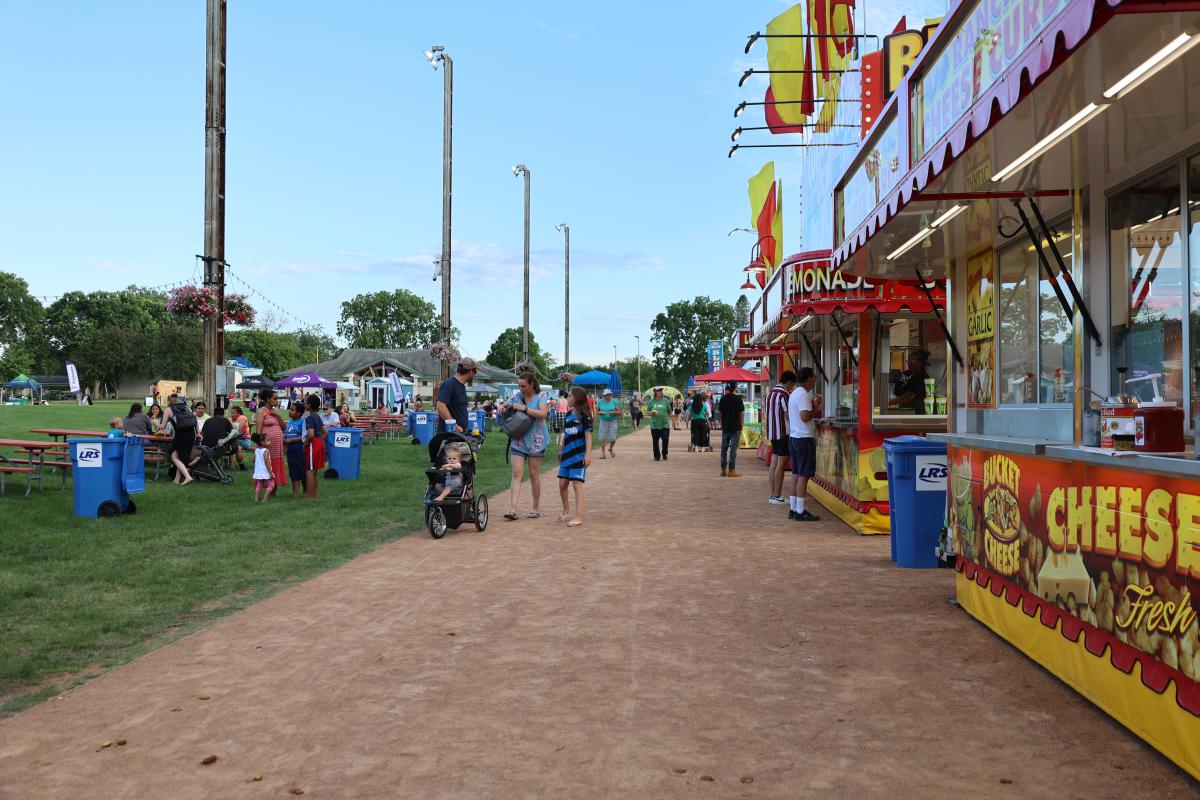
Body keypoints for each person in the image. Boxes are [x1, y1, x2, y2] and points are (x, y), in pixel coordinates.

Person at [501, 370, 551, 520]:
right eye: (519, 386)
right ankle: (512, 510)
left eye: (523, 386)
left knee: (533, 474)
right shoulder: (518, 395)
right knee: (516, 473)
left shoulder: (542, 396)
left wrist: (525, 408)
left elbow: (543, 414)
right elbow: (507, 403)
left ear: (532, 384)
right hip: (519, 439)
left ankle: (535, 508)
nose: (521, 389)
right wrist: (503, 406)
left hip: (536, 440)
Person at [787, 367, 822, 521]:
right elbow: (805, 416)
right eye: (814, 377)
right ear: (808, 379)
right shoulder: (802, 394)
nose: (815, 380)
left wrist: (812, 405)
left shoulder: (795, 393)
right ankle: (800, 511)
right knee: (803, 475)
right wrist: (817, 410)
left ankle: (793, 508)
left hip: (795, 437)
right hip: (804, 439)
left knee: (796, 474)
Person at [557, 387, 593, 527]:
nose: (567, 398)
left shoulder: (585, 416)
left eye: (570, 396)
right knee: (562, 484)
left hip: (579, 456)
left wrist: (588, 455)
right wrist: (561, 449)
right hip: (567, 455)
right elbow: (566, 434)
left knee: (576, 484)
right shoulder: (568, 414)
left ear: (577, 398)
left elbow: (588, 436)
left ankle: (578, 517)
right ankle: (566, 509)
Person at [765, 371, 797, 505]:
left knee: (774, 463)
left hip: (772, 433)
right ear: (789, 381)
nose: (792, 386)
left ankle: (773, 495)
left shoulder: (770, 393)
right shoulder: (784, 394)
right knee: (781, 464)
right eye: (792, 384)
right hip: (783, 433)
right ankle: (778, 495)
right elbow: (787, 414)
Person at [255, 388, 286, 496]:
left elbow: (283, 428)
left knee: (276, 467)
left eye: (278, 398)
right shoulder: (261, 411)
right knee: (268, 466)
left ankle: (273, 492)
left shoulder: (275, 411)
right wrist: (258, 448)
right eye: (275, 398)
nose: (277, 401)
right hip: (267, 446)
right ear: (268, 399)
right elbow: (258, 432)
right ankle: (266, 492)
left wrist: (278, 415)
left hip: (277, 446)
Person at [160, 392, 196, 485]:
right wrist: (198, 433)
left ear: (168, 400)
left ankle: (188, 477)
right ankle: (176, 480)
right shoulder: (186, 408)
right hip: (191, 434)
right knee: (180, 457)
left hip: (181, 435)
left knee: (174, 456)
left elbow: (162, 427)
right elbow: (194, 420)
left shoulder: (168, 409)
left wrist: (155, 423)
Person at [891, 348, 931, 414]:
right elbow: (898, 392)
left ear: (920, 363)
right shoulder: (907, 375)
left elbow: (909, 396)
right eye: (908, 361)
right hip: (908, 410)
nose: (909, 363)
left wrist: (888, 403)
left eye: (912, 361)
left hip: (916, 412)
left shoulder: (921, 377)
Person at [717, 381, 745, 477]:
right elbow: (740, 414)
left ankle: (723, 470)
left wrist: (721, 423)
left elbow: (720, 413)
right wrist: (741, 426)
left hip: (726, 427)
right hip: (736, 427)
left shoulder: (723, 399)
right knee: (733, 449)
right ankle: (731, 470)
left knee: (724, 448)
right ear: (735, 388)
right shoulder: (738, 399)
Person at [304, 394, 326, 500]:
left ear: (309, 405)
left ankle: (310, 496)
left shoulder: (309, 418)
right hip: (319, 443)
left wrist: (306, 443)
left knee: (309, 470)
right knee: (315, 471)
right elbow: (325, 433)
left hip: (313, 444)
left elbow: (311, 435)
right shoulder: (318, 416)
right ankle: (315, 495)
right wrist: (320, 440)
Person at [283, 402, 307, 498]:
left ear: (298, 413)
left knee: (302, 470)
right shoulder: (290, 422)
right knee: (293, 471)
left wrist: (292, 440)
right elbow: (286, 433)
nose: (290, 411)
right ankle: (295, 493)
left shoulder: (302, 422)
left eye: (292, 410)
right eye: (290, 409)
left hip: (299, 450)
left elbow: (304, 436)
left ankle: (306, 490)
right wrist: (284, 438)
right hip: (290, 451)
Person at [645, 386, 672, 461]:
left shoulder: (665, 401)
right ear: (655, 392)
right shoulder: (652, 402)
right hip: (655, 425)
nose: (660, 392)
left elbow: (669, 411)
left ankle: (664, 453)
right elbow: (647, 412)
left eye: (661, 390)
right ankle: (657, 456)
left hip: (665, 424)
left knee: (665, 438)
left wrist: (673, 422)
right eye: (658, 391)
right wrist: (651, 412)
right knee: (655, 441)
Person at [596, 388, 621, 459]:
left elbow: (619, 412)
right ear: (604, 395)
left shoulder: (614, 402)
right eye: (607, 394)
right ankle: (603, 454)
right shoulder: (600, 402)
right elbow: (597, 411)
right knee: (602, 438)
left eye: (610, 394)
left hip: (612, 422)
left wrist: (614, 412)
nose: (609, 396)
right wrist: (600, 413)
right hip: (603, 421)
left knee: (613, 438)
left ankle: (610, 448)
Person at [251, 432, 275, 503]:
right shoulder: (266, 451)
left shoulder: (256, 450)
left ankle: (256, 499)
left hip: (258, 472)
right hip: (266, 471)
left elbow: (253, 460)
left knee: (259, 485)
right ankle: (265, 499)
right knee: (271, 485)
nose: (270, 441)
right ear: (262, 442)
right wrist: (270, 473)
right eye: (268, 440)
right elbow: (267, 462)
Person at [228, 406, 252, 470]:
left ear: (239, 414)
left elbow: (238, 430)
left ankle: (233, 465)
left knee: (233, 445)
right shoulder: (230, 419)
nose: (232, 414)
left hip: (244, 440)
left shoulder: (242, 418)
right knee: (231, 443)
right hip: (235, 439)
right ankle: (231, 464)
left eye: (233, 413)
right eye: (231, 412)